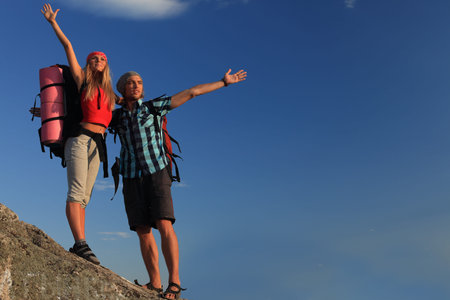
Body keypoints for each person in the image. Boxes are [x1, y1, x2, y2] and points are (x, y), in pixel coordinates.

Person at [111, 69, 247, 299]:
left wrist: (224, 82)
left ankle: (174, 282)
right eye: (131, 83)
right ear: (122, 88)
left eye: (140, 82)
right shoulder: (116, 117)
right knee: (142, 231)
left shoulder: (154, 107)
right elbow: (89, 113)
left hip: (156, 171)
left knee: (164, 224)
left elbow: (192, 92)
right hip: (131, 175)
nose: (136, 85)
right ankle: (154, 283)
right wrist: (49, 113)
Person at [40, 3, 116, 265]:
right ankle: (81, 244)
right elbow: (69, 47)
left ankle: (79, 244)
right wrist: (53, 23)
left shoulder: (111, 95)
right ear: (88, 63)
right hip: (79, 139)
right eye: (94, 58)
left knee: (85, 196)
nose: (97, 61)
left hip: (100, 144)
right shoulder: (82, 80)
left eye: (102, 58)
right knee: (75, 191)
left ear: (106, 65)